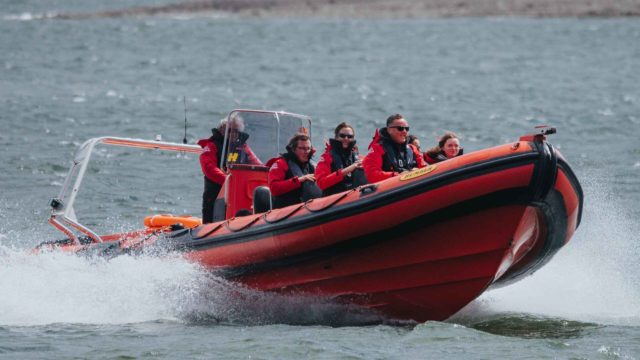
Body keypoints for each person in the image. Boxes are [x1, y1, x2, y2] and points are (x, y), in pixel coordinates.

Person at [198, 117, 260, 224]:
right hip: (216, 195)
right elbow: (209, 169)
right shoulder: (211, 146)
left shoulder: (243, 147)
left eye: (238, 132)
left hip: (240, 195)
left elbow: (257, 165)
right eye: (233, 131)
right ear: (223, 130)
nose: (236, 135)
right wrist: (229, 181)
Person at [363, 113, 425, 183]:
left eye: (407, 129)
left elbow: (424, 169)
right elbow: (372, 175)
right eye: (400, 128)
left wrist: (417, 172)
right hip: (390, 188)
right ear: (389, 130)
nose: (404, 131)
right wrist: (398, 176)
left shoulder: (412, 149)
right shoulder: (378, 149)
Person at [266, 133, 322, 209]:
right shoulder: (281, 164)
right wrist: (299, 180)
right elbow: (274, 188)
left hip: (310, 210)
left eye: (308, 148)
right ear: (293, 149)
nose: (306, 152)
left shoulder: (312, 166)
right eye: (302, 148)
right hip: (286, 212)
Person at [315, 122, 368, 196]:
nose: (346, 138)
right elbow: (321, 183)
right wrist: (349, 169)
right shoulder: (326, 157)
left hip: (355, 196)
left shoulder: (358, 157)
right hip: (334, 199)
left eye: (350, 136)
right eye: (342, 136)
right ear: (336, 137)